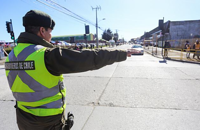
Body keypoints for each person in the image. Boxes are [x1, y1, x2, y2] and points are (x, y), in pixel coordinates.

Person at [4, 10, 133, 130]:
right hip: (49, 122)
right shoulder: (46, 55)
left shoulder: (11, 55)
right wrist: (121, 54)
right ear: (42, 31)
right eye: (50, 31)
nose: (51, 35)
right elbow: (89, 58)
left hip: (23, 119)